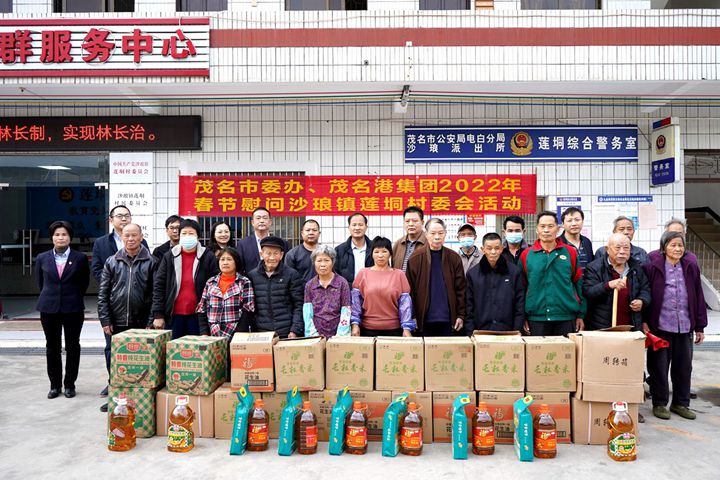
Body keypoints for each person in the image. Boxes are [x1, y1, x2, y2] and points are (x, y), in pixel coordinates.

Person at [643, 231, 707, 421]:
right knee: (659, 367)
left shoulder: (690, 267)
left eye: (680, 245)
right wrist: (644, 321)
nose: (678, 249)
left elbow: (698, 295)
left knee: (683, 367)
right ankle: (660, 403)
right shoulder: (652, 267)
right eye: (673, 245)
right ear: (664, 247)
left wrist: (700, 326)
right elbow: (646, 294)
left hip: (684, 326)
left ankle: (680, 403)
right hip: (660, 326)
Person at [97, 223, 156, 412]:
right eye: (127, 235)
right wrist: (105, 319)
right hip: (116, 321)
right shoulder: (112, 261)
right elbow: (103, 293)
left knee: (140, 363)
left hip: (141, 321)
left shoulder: (152, 262)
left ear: (141, 237)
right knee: (116, 361)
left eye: (134, 235)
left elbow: (156, 294)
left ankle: (140, 400)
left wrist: (151, 321)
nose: (130, 239)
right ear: (121, 237)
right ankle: (116, 399)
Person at [35, 221, 90, 400]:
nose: (61, 238)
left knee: (73, 346)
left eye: (64, 234)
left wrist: (72, 296)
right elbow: (40, 283)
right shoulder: (42, 258)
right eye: (57, 234)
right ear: (52, 237)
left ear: (70, 237)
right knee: (52, 347)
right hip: (48, 308)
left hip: (73, 307)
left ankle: (70, 384)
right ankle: (54, 385)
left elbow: (84, 283)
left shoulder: (80, 258)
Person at [520, 211, 586, 336]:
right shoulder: (527, 255)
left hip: (566, 316)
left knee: (567, 349)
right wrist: (522, 317)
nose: (546, 230)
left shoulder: (570, 252)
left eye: (550, 226)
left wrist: (581, 315)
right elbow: (521, 288)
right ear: (537, 229)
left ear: (558, 228)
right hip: (536, 318)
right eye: (542, 226)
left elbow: (578, 284)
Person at [152, 219, 219, 339]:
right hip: (173, 315)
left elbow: (215, 284)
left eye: (191, 233)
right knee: (174, 348)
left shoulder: (207, 256)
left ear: (198, 236)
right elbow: (159, 286)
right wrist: (158, 314)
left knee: (196, 348)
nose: (187, 236)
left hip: (199, 316)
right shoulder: (169, 256)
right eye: (184, 233)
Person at [405, 218, 465, 336]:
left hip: (449, 320)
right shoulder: (415, 258)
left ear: (445, 234)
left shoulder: (454, 258)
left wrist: (460, 315)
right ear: (426, 234)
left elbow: (461, 290)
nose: (437, 237)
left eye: (440, 233)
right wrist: (412, 316)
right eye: (433, 233)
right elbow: (409, 291)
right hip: (423, 321)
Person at [582, 233, 651, 331]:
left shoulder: (636, 267)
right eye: (617, 248)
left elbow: (645, 288)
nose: (622, 252)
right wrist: (608, 285)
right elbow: (588, 292)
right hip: (602, 325)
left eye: (626, 248)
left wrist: (642, 300)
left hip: (631, 324)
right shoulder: (594, 267)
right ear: (607, 249)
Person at [351, 236, 415, 337]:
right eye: (376, 252)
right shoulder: (363, 273)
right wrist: (355, 325)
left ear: (390, 254)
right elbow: (356, 303)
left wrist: (406, 328)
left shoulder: (399, 275)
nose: (380, 255)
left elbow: (405, 305)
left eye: (384, 251)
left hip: (394, 330)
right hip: (367, 329)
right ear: (371, 254)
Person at [465, 232, 525, 333]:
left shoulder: (514, 272)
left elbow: (519, 303)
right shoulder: (473, 274)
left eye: (497, 248)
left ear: (501, 249)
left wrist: (517, 329)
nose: (493, 252)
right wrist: (470, 331)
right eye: (489, 248)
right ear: (483, 249)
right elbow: (469, 306)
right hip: (481, 330)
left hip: (508, 330)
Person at [246, 236, 304, 338]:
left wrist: (295, 329)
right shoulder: (252, 276)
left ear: (281, 255)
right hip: (261, 333)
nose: (272, 258)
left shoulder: (291, 274)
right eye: (268, 253)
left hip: (286, 332)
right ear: (261, 254)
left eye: (276, 253)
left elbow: (298, 304)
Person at [197, 246, 255, 339]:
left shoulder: (244, 282)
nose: (225, 263)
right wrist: (204, 333)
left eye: (229, 259)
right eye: (222, 259)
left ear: (236, 262)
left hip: (235, 334)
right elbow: (202, 309)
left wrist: (238, 335)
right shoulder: (210, 282)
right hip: (213, 335)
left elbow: (248, 309)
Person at [303, 245, 352, 338]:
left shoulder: (342, 283)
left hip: (338, 334)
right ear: (314, 263)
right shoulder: (310, 285)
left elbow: (346, 310)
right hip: (316, 335)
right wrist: (314, 335)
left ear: (333, 262)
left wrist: (340, 335)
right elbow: (307, 313)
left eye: (326, 260)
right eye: (319, 261)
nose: (322, 264)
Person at [92, 205, 148, 283]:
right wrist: (113, 284)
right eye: (119, 216)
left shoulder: (141, 241)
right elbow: (97, 269)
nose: (124, 219)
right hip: (111, 288)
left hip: (137, 287)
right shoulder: (101, 242)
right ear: (111, 220)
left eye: (127, 216)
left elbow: (147, 266)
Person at [237, 207, 286, 274]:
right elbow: (240, 269)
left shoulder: (281, 243)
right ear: (252, 222)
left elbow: (286, 267)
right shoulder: (243, 244)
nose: (261, 221)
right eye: (258, 218)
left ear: (270, 222)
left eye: (265, 218)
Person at [334, 212, 373, 286]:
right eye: (354, 225)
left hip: (371, 290)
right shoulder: (339, 250)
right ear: (349, 227)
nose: (357, 228)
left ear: (366, 227)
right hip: (347, 290)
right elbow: (335, 274)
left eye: (360, 225)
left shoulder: (374, 248)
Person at [285, 219, 321, 283]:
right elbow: (288, 278)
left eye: (314, 230)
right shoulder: (292, 254)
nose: (311, 233)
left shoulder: (326, 253)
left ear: (319, 233)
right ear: (302, 233)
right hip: (300, 289)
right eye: (308, 230)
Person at [392, 206, 426, 272]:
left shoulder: (429, 243)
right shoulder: (398, 244)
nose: (411, 224)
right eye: (407, 221)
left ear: (422, 222)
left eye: (415, 221)